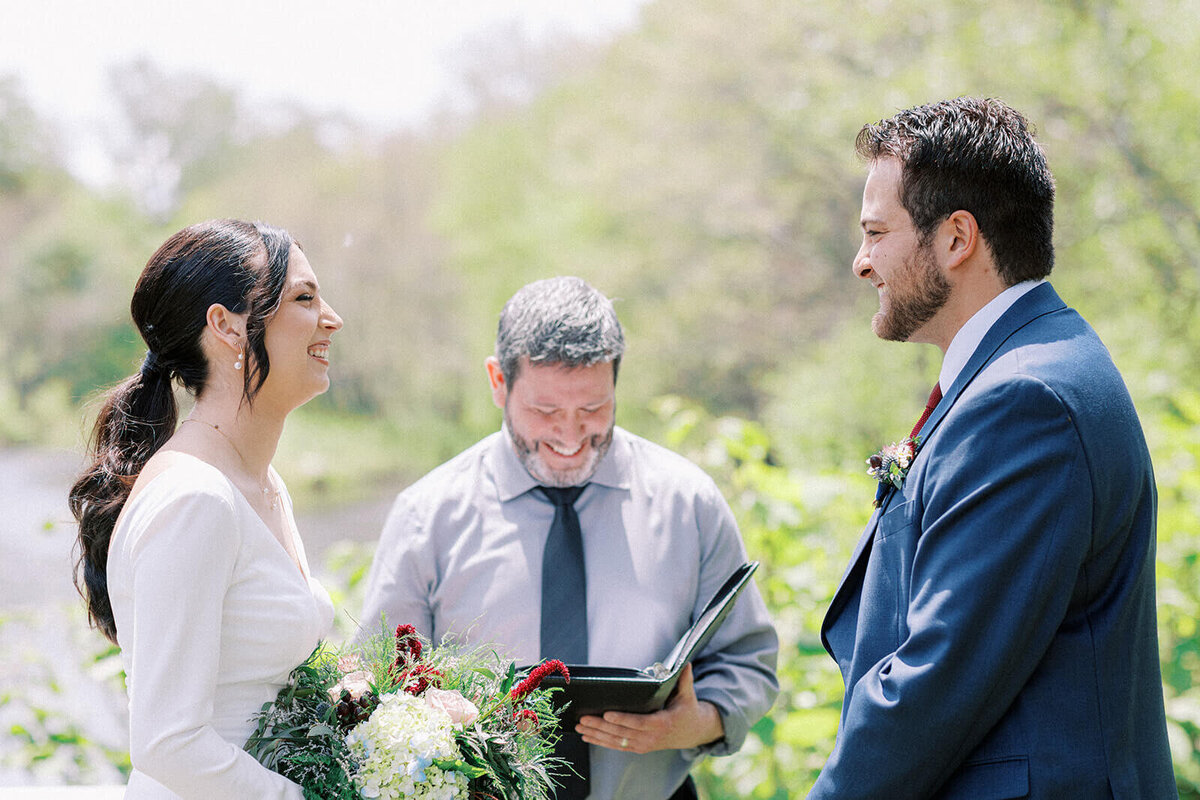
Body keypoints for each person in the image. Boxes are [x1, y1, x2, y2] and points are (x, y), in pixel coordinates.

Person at [810, 97, 1176, 798]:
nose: (861, 262)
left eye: (877, 232)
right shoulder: (1038, 362)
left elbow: (934, 684)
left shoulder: (1025, 400)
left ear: (956, 238)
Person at [360, 276, 778, 800]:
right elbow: (377, 690)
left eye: (592, 409)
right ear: (497, 381)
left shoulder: (688, 502)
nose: (570, 437)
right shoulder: (426, 516)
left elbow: (748, 663)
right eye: (546, 411)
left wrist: (690, 726)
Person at [69, 219, 344, 798]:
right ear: (226, 326)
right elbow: (168, 742)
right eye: (304, 297)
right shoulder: (195, 499)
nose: (331, 318)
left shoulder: (263, 484)